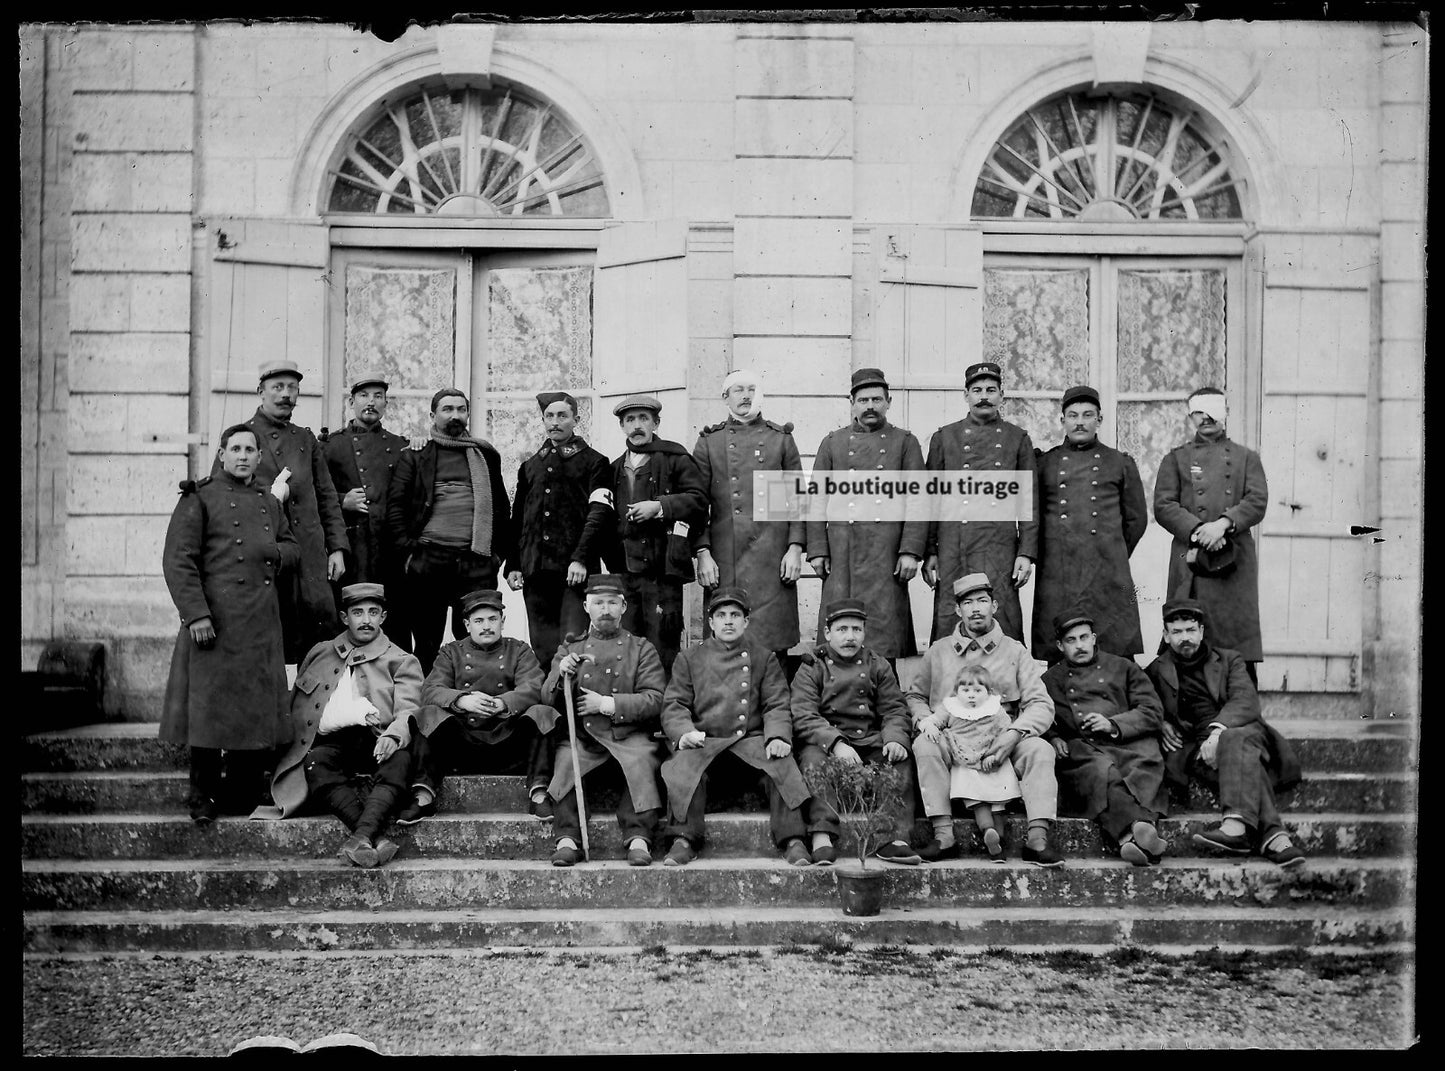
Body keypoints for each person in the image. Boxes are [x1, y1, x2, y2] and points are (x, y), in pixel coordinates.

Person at [161, 423, 300, 824]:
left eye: (249, 450)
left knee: (252, 709)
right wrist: (196, 614)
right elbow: (178, 561)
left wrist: (271, 550)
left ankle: (240, 793)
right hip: (214, 622)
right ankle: (201, 795)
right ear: (221, 454)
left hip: (259, 621)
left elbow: (291, 548)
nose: (242, 456)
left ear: (259, 458)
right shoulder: (199, 497)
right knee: (208, 710)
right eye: (235, 449)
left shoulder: (269, 502)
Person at [251, 584, 422, 869]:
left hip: (378, 739)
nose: (366, 619)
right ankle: (371, 838)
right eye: (358, 612)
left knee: (401, 759)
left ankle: (362, 836)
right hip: (333, 742)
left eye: (373, 612)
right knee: (315, 762)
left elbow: (409, 711)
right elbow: (297, 705)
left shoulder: (401, 660)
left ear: (383, 616)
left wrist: (393, 736)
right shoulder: (320, 654)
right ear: (345, 618)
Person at [906, 572, 1064, 866]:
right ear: (957, 610)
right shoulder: (938, 651)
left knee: (1041, 749)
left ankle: (1038, 839)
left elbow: (1040, 704)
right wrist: (927, 721)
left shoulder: (1015, 651)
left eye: (982, 601)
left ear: (995, 606)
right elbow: (915, 696)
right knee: (924, 746)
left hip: (1003, 739)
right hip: (953, 739)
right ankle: (944, 836)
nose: (976, 608)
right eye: (968, 602)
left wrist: (1014, 734)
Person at [659, 587, 813, 867]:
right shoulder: (689, 658)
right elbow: (674, 704)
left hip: (749, 741)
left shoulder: (763, 657)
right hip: (705, 741)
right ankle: (683, 839)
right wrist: (684, 732)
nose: (728, 621)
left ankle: (794, 839)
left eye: (735, 615)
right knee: (683, 764)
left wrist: (777, 736)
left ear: (746, 621)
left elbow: (776, 704)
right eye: (721, 615)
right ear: (711, 623)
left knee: (781, 763)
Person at [1146, 598, 1306, 868]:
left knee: (1235, 738)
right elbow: (1143, 703)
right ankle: (1275, 838)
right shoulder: (1155, 670)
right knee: (1246, 768)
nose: (1185, 638)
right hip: (1199, 752)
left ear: (1202, 631)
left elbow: (1245, 700)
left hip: (1244, 732)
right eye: (1177, 632)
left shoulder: (1230, 660)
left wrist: (1218, 732)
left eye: (1190, 630)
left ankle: (1235, 827)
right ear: (1166, 635)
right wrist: (1160, 721)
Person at [218, 359, 349, 663]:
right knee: (272, 639)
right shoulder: (241, 438)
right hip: (267, 555)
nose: (285, 394)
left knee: (317, 643)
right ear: (260, 392)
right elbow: (223, 497)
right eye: (277, 387)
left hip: (311, 556)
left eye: (292, 388)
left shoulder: (306, 439)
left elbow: (327, 495)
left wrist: (337, 548)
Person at [398, 588, 555, 824]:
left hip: (509, 743)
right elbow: (430, 690)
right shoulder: (451, 652)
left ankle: (539, 792)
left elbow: (533, 687)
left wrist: (504, 703)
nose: (486, 626)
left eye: (493, 619)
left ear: (502, 621)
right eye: (478, 621)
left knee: (542, 713)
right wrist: (462, 700)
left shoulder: (519, 650)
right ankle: (423, 796)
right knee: (427, 713)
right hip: (464, 745)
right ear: (466, 624)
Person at [385, 388, 513, 675]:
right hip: (428, 561)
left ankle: (473, 706)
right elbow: (396, 509)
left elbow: (502, 509)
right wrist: (410, 555)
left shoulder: (485, 455)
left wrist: (495, 557)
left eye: (461, 409)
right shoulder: (417, 455)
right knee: (426, 643)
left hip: (475, 563)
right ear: (433, 415)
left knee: (475, 642)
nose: (455, 415)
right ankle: (424, 707)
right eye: (447, 409)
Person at [543, 574, 667, 867]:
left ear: (624, 607)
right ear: (587, 606)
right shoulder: (570, 649)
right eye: (599, 603)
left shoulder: (641, 649)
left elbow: (656, 699)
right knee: (565, 763)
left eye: (613, 603)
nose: (606, 609)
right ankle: (567, 839)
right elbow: (547, 697)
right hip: (584, 737)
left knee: (642, 763)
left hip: (628, 736)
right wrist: (562, 677)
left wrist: (607, 705)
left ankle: (638, 838)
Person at [806, 367, 926, 663]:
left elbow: (919, 499)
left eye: (876, 399)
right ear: (852, 403)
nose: (870, 406)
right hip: (842, 551)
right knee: (840, 628)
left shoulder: (905, 442)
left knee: (884, 632)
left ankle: (887, 694)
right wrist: (818, 550)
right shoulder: (832, 442)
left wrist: (910, 551)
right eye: (863, 400)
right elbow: (816, 499)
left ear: (888, 402)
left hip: (885, 552)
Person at [693, 368, 807, 678]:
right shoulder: (710, 442)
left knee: (772, 642)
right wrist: (703, 553)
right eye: (738, 390)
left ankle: (776, 715)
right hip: (725, 557)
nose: (745, 396)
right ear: (725, 397)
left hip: (772, 558)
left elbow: (795, 502)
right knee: (725, 640)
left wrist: (795, 548)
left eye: (751, 390)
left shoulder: (779, 439)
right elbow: (696, 505)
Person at [790, 597, 921, 866]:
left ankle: (893, 838)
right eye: (842, 630)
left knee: (901, 759)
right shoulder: (812, 664)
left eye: (856, 629)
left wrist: (895, 739)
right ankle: (822, 836)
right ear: (827, 633)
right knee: (813, 761)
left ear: (864, 632)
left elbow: (895, 709)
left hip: (869, 738)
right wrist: (836, 743)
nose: (850, 637)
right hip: (825, 740)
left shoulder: (877, 664)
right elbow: (803, 714)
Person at [1153, 387, 1269, 682]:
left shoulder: (1246, 458)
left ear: (1225, 413)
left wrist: (1223, 525)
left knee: (1234, 640)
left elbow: (1256, 501)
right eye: (1198, 412)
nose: (1206, 419)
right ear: (1190, 417)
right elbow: (1164, 505)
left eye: (1212, 411)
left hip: (1234, 559)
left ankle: (1242, 712)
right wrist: (1198, 530)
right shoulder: (1175, 459)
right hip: (1192, 559)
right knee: (1189, 633)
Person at [1041, 609, 1170, 867]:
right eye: (1071, 640)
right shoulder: (1049, 680)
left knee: (1133, 770)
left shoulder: (1124, 667)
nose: (1079, 646)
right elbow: (1037, 713)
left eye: (1084, 637)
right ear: (1059, 645)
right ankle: (1141, 830)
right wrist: (1054, 737)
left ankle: (1129, 837)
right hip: (1084, 750)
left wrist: (1113, 724)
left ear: (1094, 638)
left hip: (1130, 744)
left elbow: (1152, 711)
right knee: (1103, 771)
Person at [921, 361, 1038, 644]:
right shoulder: (944, 437)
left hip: (999, 545)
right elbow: (930, 499)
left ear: (1001, 395)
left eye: (990, 390)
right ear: (966, 395)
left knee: (1002, 615)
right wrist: (930, 550)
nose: (983, 396)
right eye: (976, 390)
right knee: (952, 616)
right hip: (953, 545)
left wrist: (1026, 553)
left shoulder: (1017, 438)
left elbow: (1028, 500)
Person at [1031, 384, 1148, 663]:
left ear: (1099, 420)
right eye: (1073, 416)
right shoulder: (1045, 464)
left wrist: (1111, 550)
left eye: (1087, 415)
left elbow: (1136, 519)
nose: (1080, 422)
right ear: (1062, 421)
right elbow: (1032, 516)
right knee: (1060, 646)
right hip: (1058, 572)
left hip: (1106, 569)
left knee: (1115, 647)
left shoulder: (1119, 463)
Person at [505, 391, 614, 673]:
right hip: (536, 571)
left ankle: (573, 714)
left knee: (573, 646)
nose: (555, 422)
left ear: (576, 420)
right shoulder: (530, 466)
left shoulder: (594, 462)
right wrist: (514, 564)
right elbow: (519, 518)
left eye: (562, 416)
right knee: (542, 648)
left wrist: (580, 558)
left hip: (574, 572)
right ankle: (550, 714)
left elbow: (599, 514)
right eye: (549, 416)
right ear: (543, 420)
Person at [605, 393, 708, 675]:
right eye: (630, 420)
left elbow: (699, 500)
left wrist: (659, 507)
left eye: (643, 419)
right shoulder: (613, 468)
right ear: (622, 427)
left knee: (664, 646)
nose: (637, 426)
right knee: (628, 648)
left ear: (656, 423)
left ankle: (666, 714)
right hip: (627, 575)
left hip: (662, 573)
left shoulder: (675, 458)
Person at [322, 369, 412, 649]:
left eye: (378, 396)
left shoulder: (400, 446)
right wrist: (342, 500)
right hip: (350, 549)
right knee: (349, 616)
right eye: (363, 395)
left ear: (386, 404)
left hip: (390, 552)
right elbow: (314, 495)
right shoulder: (330, 445)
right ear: (352, 402)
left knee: (394, 622)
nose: (370, 402)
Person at [931, 665, 1023, 862]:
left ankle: (996, 839)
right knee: (978, 801)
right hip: (966, 761)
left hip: (991, 760)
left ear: (988, 692)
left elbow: (1007, 731)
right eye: (965, 690)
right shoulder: (951, 707)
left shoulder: (994, 709)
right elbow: (936, 720)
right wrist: (929, 725)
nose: (971, 696)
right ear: (957, 692)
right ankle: (990, 832)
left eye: (977, 690)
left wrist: (996, 754)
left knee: (999, 802)